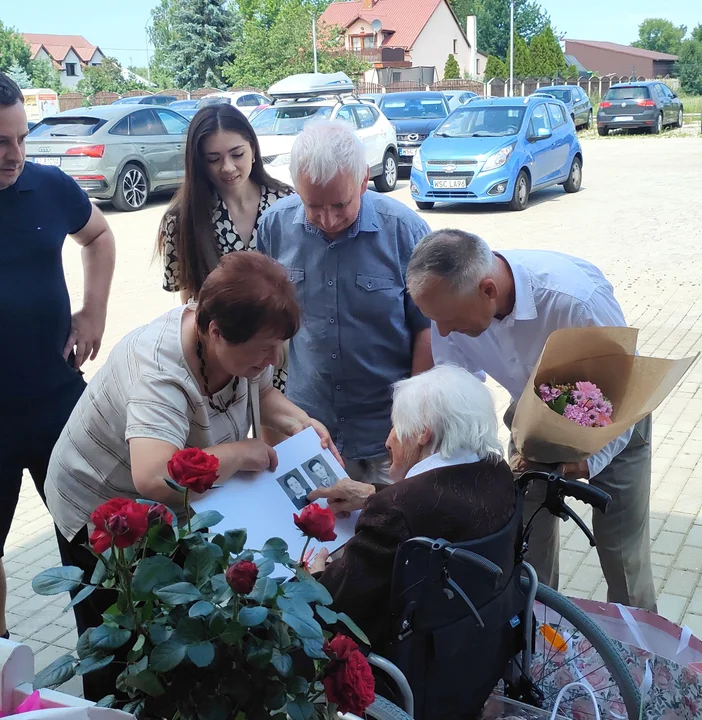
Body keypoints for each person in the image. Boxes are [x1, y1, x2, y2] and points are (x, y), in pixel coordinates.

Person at [45, 252, 337, 700]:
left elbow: (260, 388)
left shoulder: (235, 343)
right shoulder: (159, 369)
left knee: (178, 628)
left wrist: (301, 424)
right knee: (118, 641)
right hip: (99, 502)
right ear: (215, 332)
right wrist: (242, 452)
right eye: (264, 349)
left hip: (170, 507)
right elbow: (153, 475)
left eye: (279, 345)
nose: (275, 359)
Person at [404, 228, 655, 612]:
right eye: (434, 320)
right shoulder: (451, 306)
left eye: (449, 320)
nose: (442, 332)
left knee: (623, 559)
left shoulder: (576, 300)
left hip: (615, 425)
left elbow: (626, 395)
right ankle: (534, 642)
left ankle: (640, 662)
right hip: (530, 419)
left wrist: (591, 462)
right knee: (523, 548)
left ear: (488, 290)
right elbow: (459, 385)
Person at [0, 72, 115, 640]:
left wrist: (92, 312)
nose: (14, 154)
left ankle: (109, 679)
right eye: (0, 141)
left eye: (21, 137)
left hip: (57, 402)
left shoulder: (49, 186)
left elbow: (98, 237)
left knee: (93, 540)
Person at [256, 120, 433, 485]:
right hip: (309, 430)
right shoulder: (274, 228)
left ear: (364, 177)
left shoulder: (405, 231)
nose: (328, 219)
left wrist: (412, 422)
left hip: (389, 435)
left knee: (393, 535)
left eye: (340, 204)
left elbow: (426, 330)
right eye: (313, 205)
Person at [309, 365, 516, 647]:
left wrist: (316, 577)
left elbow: (341, 604)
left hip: (414, 654)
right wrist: (375, 494)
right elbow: (441, 504)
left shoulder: (396, 510)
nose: (388, 440)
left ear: (422, 433)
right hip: (483, 635)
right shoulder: (499, 473)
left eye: (396, 426)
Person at [158, 103, 293, 391]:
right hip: (221, 359)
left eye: (237, 154)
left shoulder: (287, 204)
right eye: (213, 158)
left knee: (281, 429)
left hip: (280, 353)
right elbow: (189, 303)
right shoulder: (182, 219)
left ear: (253, 149)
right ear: (198, 163)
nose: (228, 167)